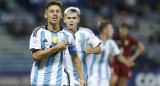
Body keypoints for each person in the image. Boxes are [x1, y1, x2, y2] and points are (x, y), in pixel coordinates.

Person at [29, 1, 85, 86]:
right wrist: (56, 48)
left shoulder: (68, 35)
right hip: (39, 80)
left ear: (61, 16)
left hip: (60, 81)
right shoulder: (38, 32)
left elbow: (75, 57)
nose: (55, 14)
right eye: (51, 12)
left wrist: (81, 78)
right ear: (46, 15)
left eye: (57, 11)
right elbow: (35, 56)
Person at [87, 20, 134, 86]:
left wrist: (127, 62)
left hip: (105, 75)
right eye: (111, 28)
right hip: (92, 73)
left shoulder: (111, 43)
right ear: (104, 30)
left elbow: (119, 56)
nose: (113, 30)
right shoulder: (92, 40)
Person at [63, 7, 101, 85]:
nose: (71, 20)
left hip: (82, 77)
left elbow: (99, 49)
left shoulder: (86, 32)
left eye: (74, 18)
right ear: (64, 20)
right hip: (64, 77)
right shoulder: (59, 34)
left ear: (78, 20)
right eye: (69, 18)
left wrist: (92, 50)